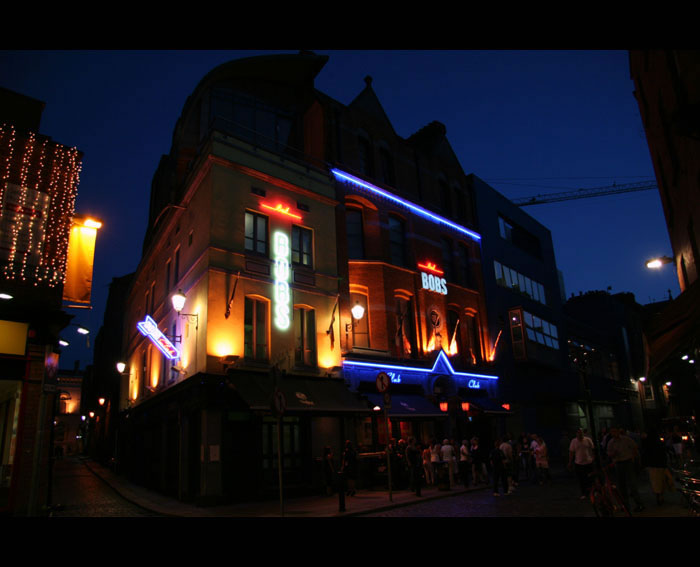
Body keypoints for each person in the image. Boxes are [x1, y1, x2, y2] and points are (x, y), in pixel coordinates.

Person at [606, 426, 644, 513]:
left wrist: (633, 457)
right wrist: (613, 454)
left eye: (615, 431)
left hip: (627, 462)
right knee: (621, 485)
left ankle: (639, 503)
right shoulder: (611, 442)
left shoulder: (626, 440)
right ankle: (625, 505)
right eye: (612, 432)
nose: (614, 433)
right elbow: (609, 453)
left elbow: (634, 447)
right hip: (618, 463)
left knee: (632, 484)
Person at [641, 429, 674, 505]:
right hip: (661, 465)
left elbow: (645, 455)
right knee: (661, 481)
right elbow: (664, 454)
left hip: (652, 465)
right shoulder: (660, 443)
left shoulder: (647, 444)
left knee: (655, 482)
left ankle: (658, 495)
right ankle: (661, 495)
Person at [568, 428, 595, 499]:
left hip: (588, 462)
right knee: (581, 479)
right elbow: (571, 452)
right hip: (579, 463)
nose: (580, 434)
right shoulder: (574, 441)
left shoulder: (588, 440)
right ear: (576, 434)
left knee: (591, 479)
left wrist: (593, 458)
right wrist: (570, 462)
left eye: (581, 433)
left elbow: (592, 449)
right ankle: (584, 493)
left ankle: (592, 492)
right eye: (578, 433)